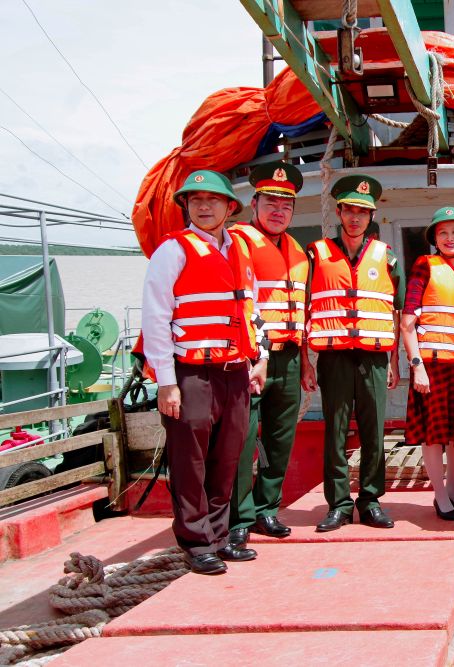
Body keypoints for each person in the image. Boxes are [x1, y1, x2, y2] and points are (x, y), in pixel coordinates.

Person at [137, 170, 267, 574]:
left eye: (213, 200)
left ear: (230, 207)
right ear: (187, 207)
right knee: (190, 460)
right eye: (195, 201)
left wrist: (259, 358)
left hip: (235, 372)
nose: (204, 207)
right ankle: (196, 543)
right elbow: (155, 318)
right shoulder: (172, 251)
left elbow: (253, 311)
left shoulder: (241, 252)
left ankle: (219, 536)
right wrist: (166, 383)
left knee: (228, 457)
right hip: (190, 372)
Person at [300, 174, 404, 531]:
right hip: (333, 356)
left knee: (375, 431)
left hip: (374, 357)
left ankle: (371, 500)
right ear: (340, 213)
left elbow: (396, 312)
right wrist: (305, 363)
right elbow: (303, 311)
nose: (356, 217)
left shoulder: (387, 257)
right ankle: (339, 504)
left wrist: (394, 363)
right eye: (350, 210)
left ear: (371, 216)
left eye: (363, 211)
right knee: (336, 430)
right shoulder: (316, 254)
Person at [226, 162, 308, 549]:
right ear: (253, 203)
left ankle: (266, 508)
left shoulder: (297, 250)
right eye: (271, 202)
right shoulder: (237, 242)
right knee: (243, 439)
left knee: (280, 437)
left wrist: (306, 360)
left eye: (286, 205)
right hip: (252, 357)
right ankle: (239, 516)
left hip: (290, 355)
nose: (279, 210)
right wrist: (252, 356)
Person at [400, 206, 454, 521]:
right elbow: (407, 322)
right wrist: (416, 365)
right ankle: (439, 496)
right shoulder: (425, 266)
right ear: (435, 238)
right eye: (443, 233)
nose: (450, 238)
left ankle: (453, 491)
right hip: (433, 366)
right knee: (435, 434)